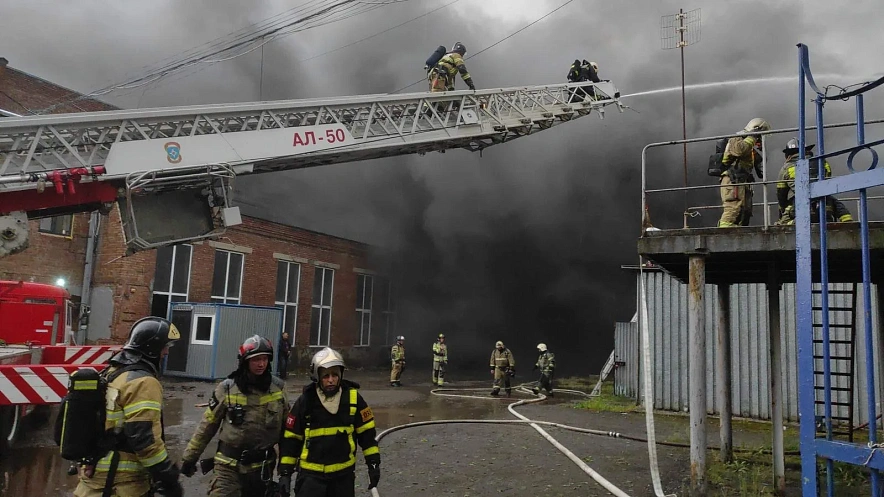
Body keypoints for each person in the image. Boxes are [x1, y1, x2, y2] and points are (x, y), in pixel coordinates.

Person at [73, 317, 183, 497]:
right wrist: (167, 475)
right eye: (165, 347)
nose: (166, 353)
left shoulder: (113, 372)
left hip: (94, 480)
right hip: (120, 484)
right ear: (152, 347)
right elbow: (144, 439)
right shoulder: (143, 382)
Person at [179, 335, 288, 497]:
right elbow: (207, 425)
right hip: (228, 467)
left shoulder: (278, 390)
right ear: (245, 361)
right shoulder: (227, 389)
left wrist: (285, 470)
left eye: (265, 359)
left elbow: (288, 432)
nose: (261, 364)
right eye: (256, 359)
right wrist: (189, 458)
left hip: (262, 469)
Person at [277, 348, 380, 497]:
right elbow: (291, 440)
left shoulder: (353, 399)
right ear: (317, 376)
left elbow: (368, 435)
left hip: (342, 479)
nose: (331, 380)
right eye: (325, 376)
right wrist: (285, 473)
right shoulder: (306, 401)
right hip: (311, 479)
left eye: (335, 375)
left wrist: (373, 464)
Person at [776, 138, 854, 225]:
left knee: (783, 221)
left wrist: (783, 209)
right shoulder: (823, 162)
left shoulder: (786, 168)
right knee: (832, 200)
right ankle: (848, 222)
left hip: (800, 206)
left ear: (788, 155)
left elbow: (781, 194)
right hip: (825, 206)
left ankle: (790, 223)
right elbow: (827, 181)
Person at [718, 118, 770, 227]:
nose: (759, 139)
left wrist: (762, 149)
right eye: (760, 135)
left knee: (745, 210)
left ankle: (738, 233)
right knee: (733, 208)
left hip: (742, 181)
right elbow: (739, 151)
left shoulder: (749, 147)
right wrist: (752, 137)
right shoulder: (736, 139)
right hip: (732, 180)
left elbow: (761, 165)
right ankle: (724, 234)